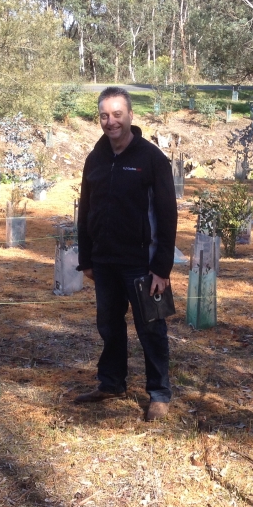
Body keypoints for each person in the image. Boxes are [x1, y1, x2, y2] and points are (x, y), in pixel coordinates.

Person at [75, 87, 178, 421]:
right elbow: (85, 209)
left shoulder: (151, 160)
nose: (110, 121)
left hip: (142, 263)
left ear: (130, 116)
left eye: (117, 114)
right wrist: (86, 258)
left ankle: (159, 394)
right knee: (108, 324)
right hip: (105, 261)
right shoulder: (96, 158)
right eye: (104, 115)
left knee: (151, 327)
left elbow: (167, 215)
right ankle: (111, 382)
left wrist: (162, 267)